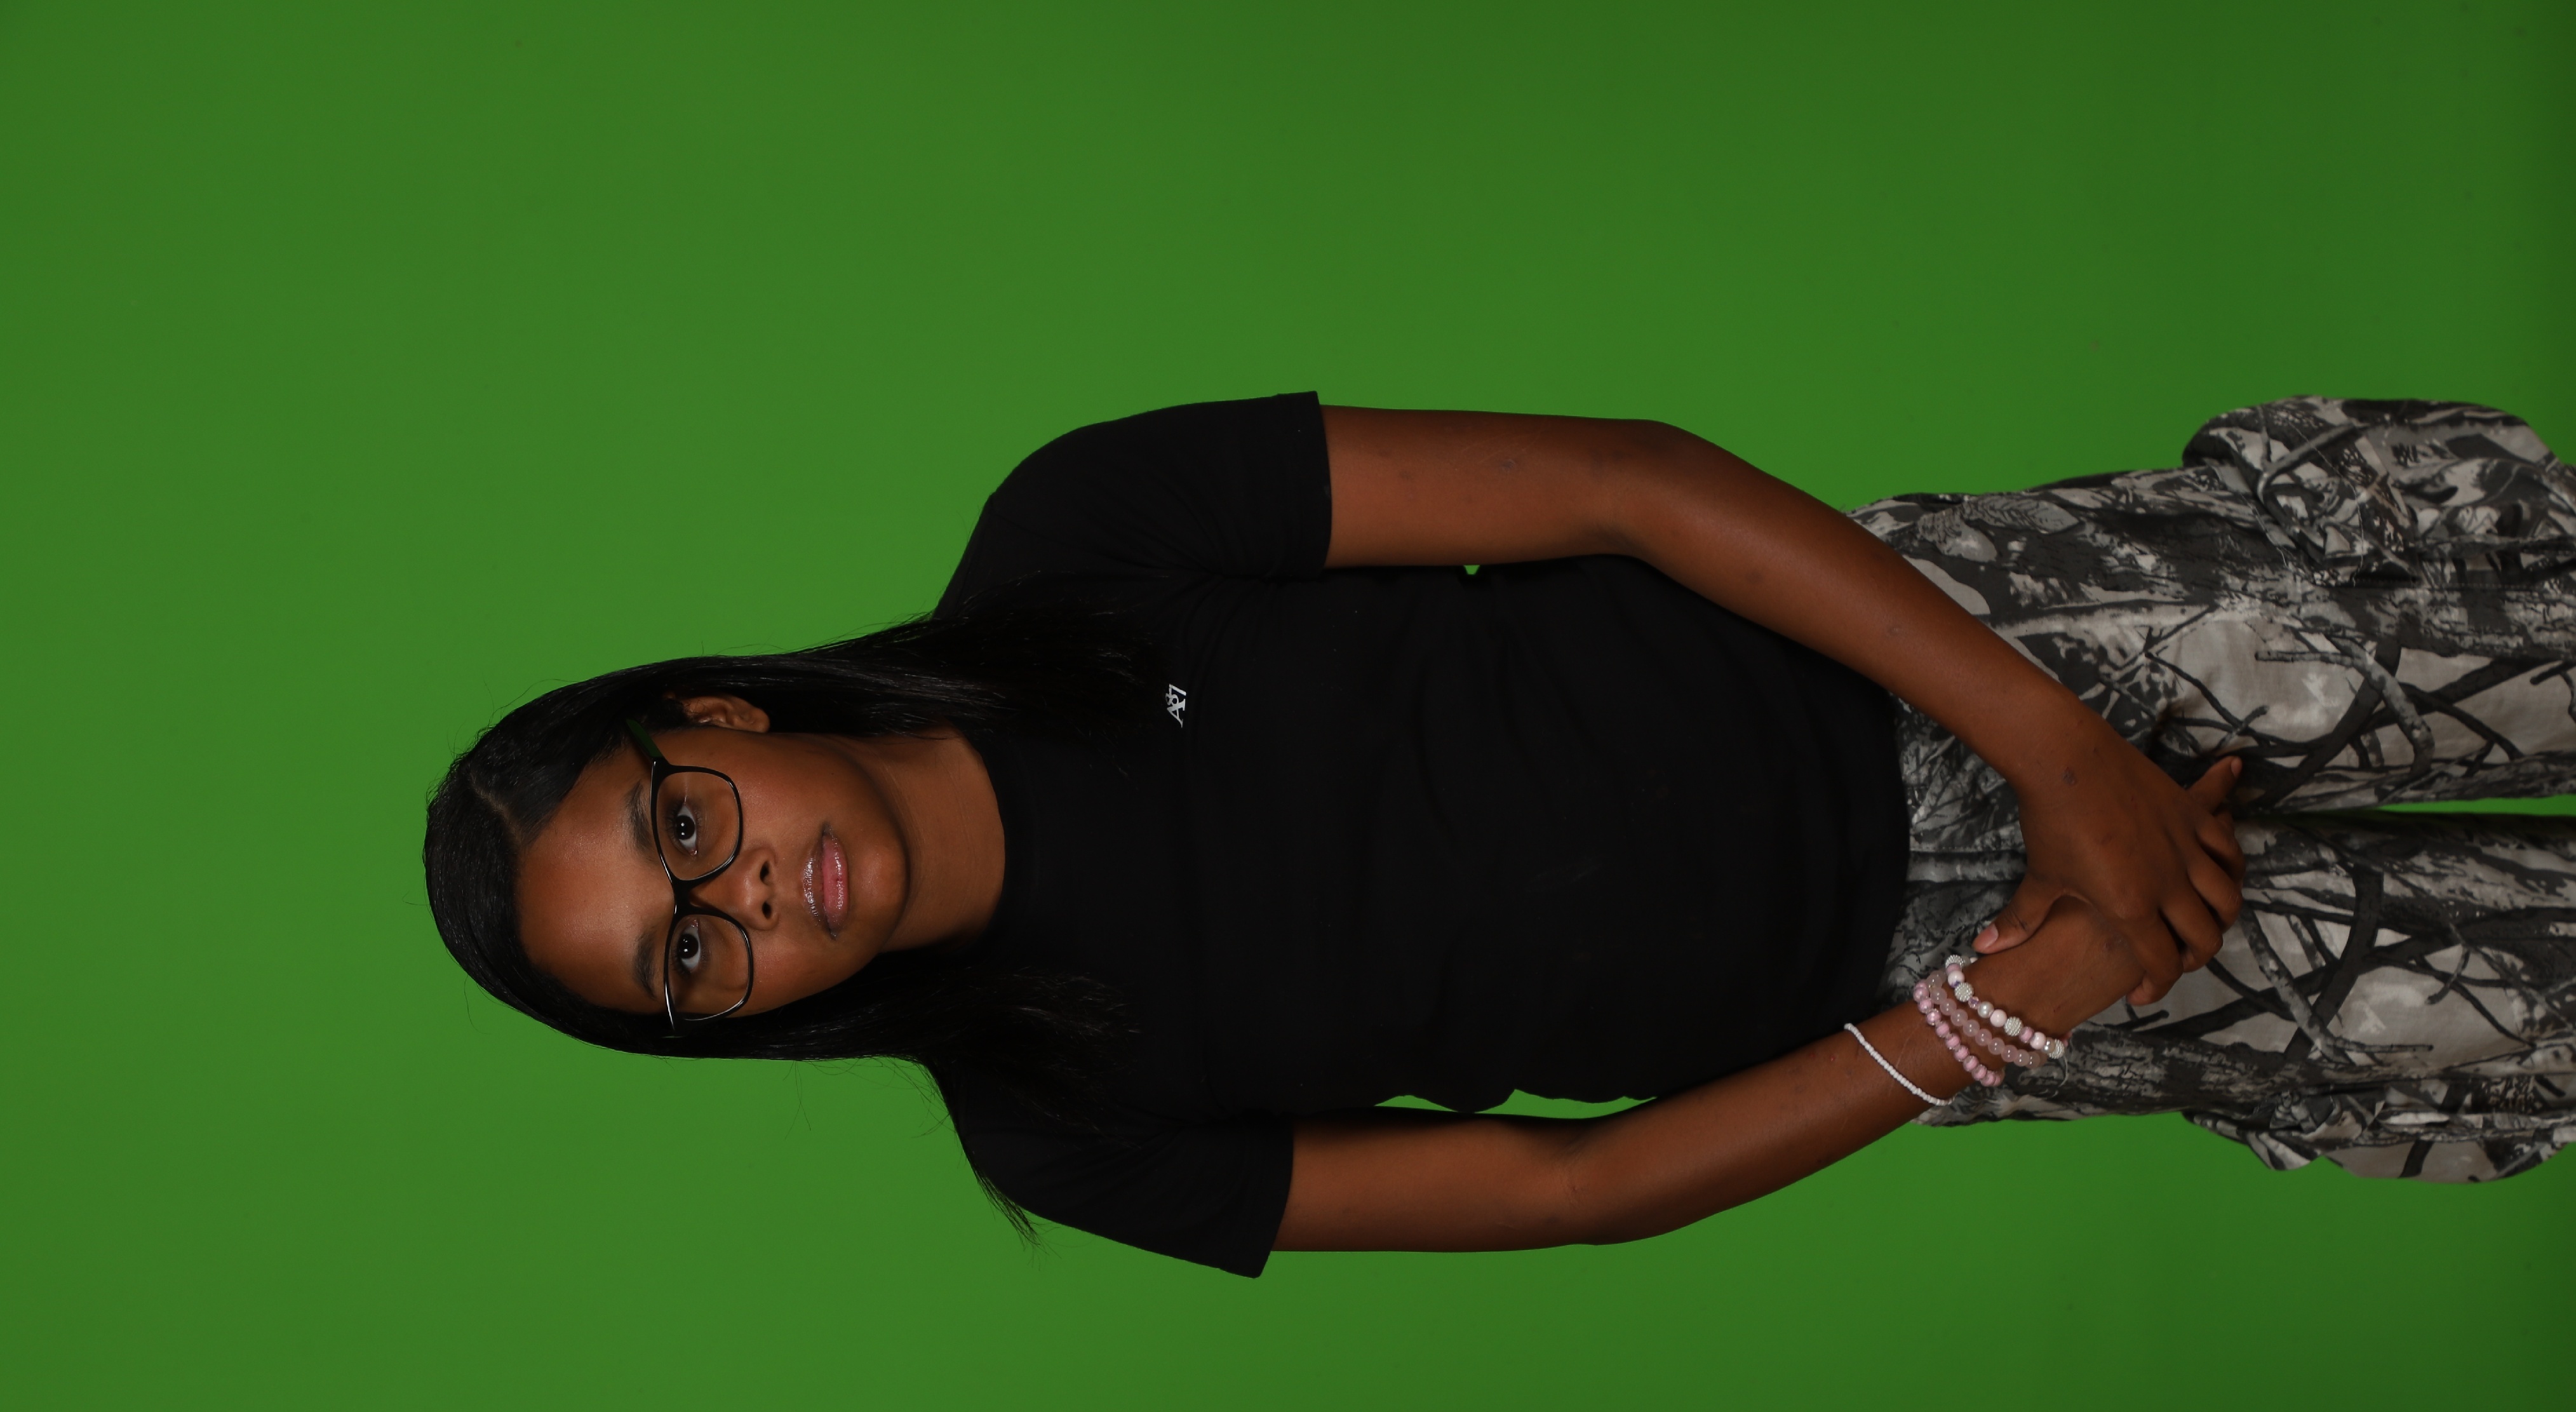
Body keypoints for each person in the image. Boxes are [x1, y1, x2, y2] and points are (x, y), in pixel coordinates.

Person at [425, 393, 2576, 1276]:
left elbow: (1624, 489)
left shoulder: (1077, 537)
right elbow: (1575, 1184)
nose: (741, 897)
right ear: (729, 1020)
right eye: (689, 956)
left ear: (716, 719)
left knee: (2515, 625)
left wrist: (2055, 744)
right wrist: (2004, 1021)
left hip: (1963, 649)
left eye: (682, 826)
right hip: (1965, 988)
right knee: (2527, 1008)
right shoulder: (1061, 1128)